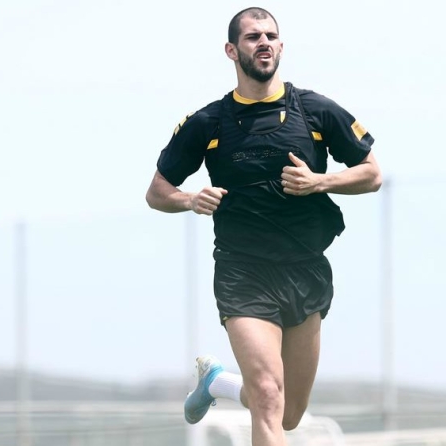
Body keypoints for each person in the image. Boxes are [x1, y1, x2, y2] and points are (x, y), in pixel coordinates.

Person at [145, 6, 382, 446]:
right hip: (243, 272)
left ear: (282, 46)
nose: (264, 43)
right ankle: (238, 386)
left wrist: (320, 181)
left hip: (305, 269)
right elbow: (157, 192)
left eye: (271, 36)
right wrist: (190, 199)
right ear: (231, 50)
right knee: (269, 395)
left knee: (288, 413)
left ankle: (217, 382)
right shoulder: (208, 122)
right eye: (253, 37)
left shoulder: (315, 110)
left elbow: (372, 174)